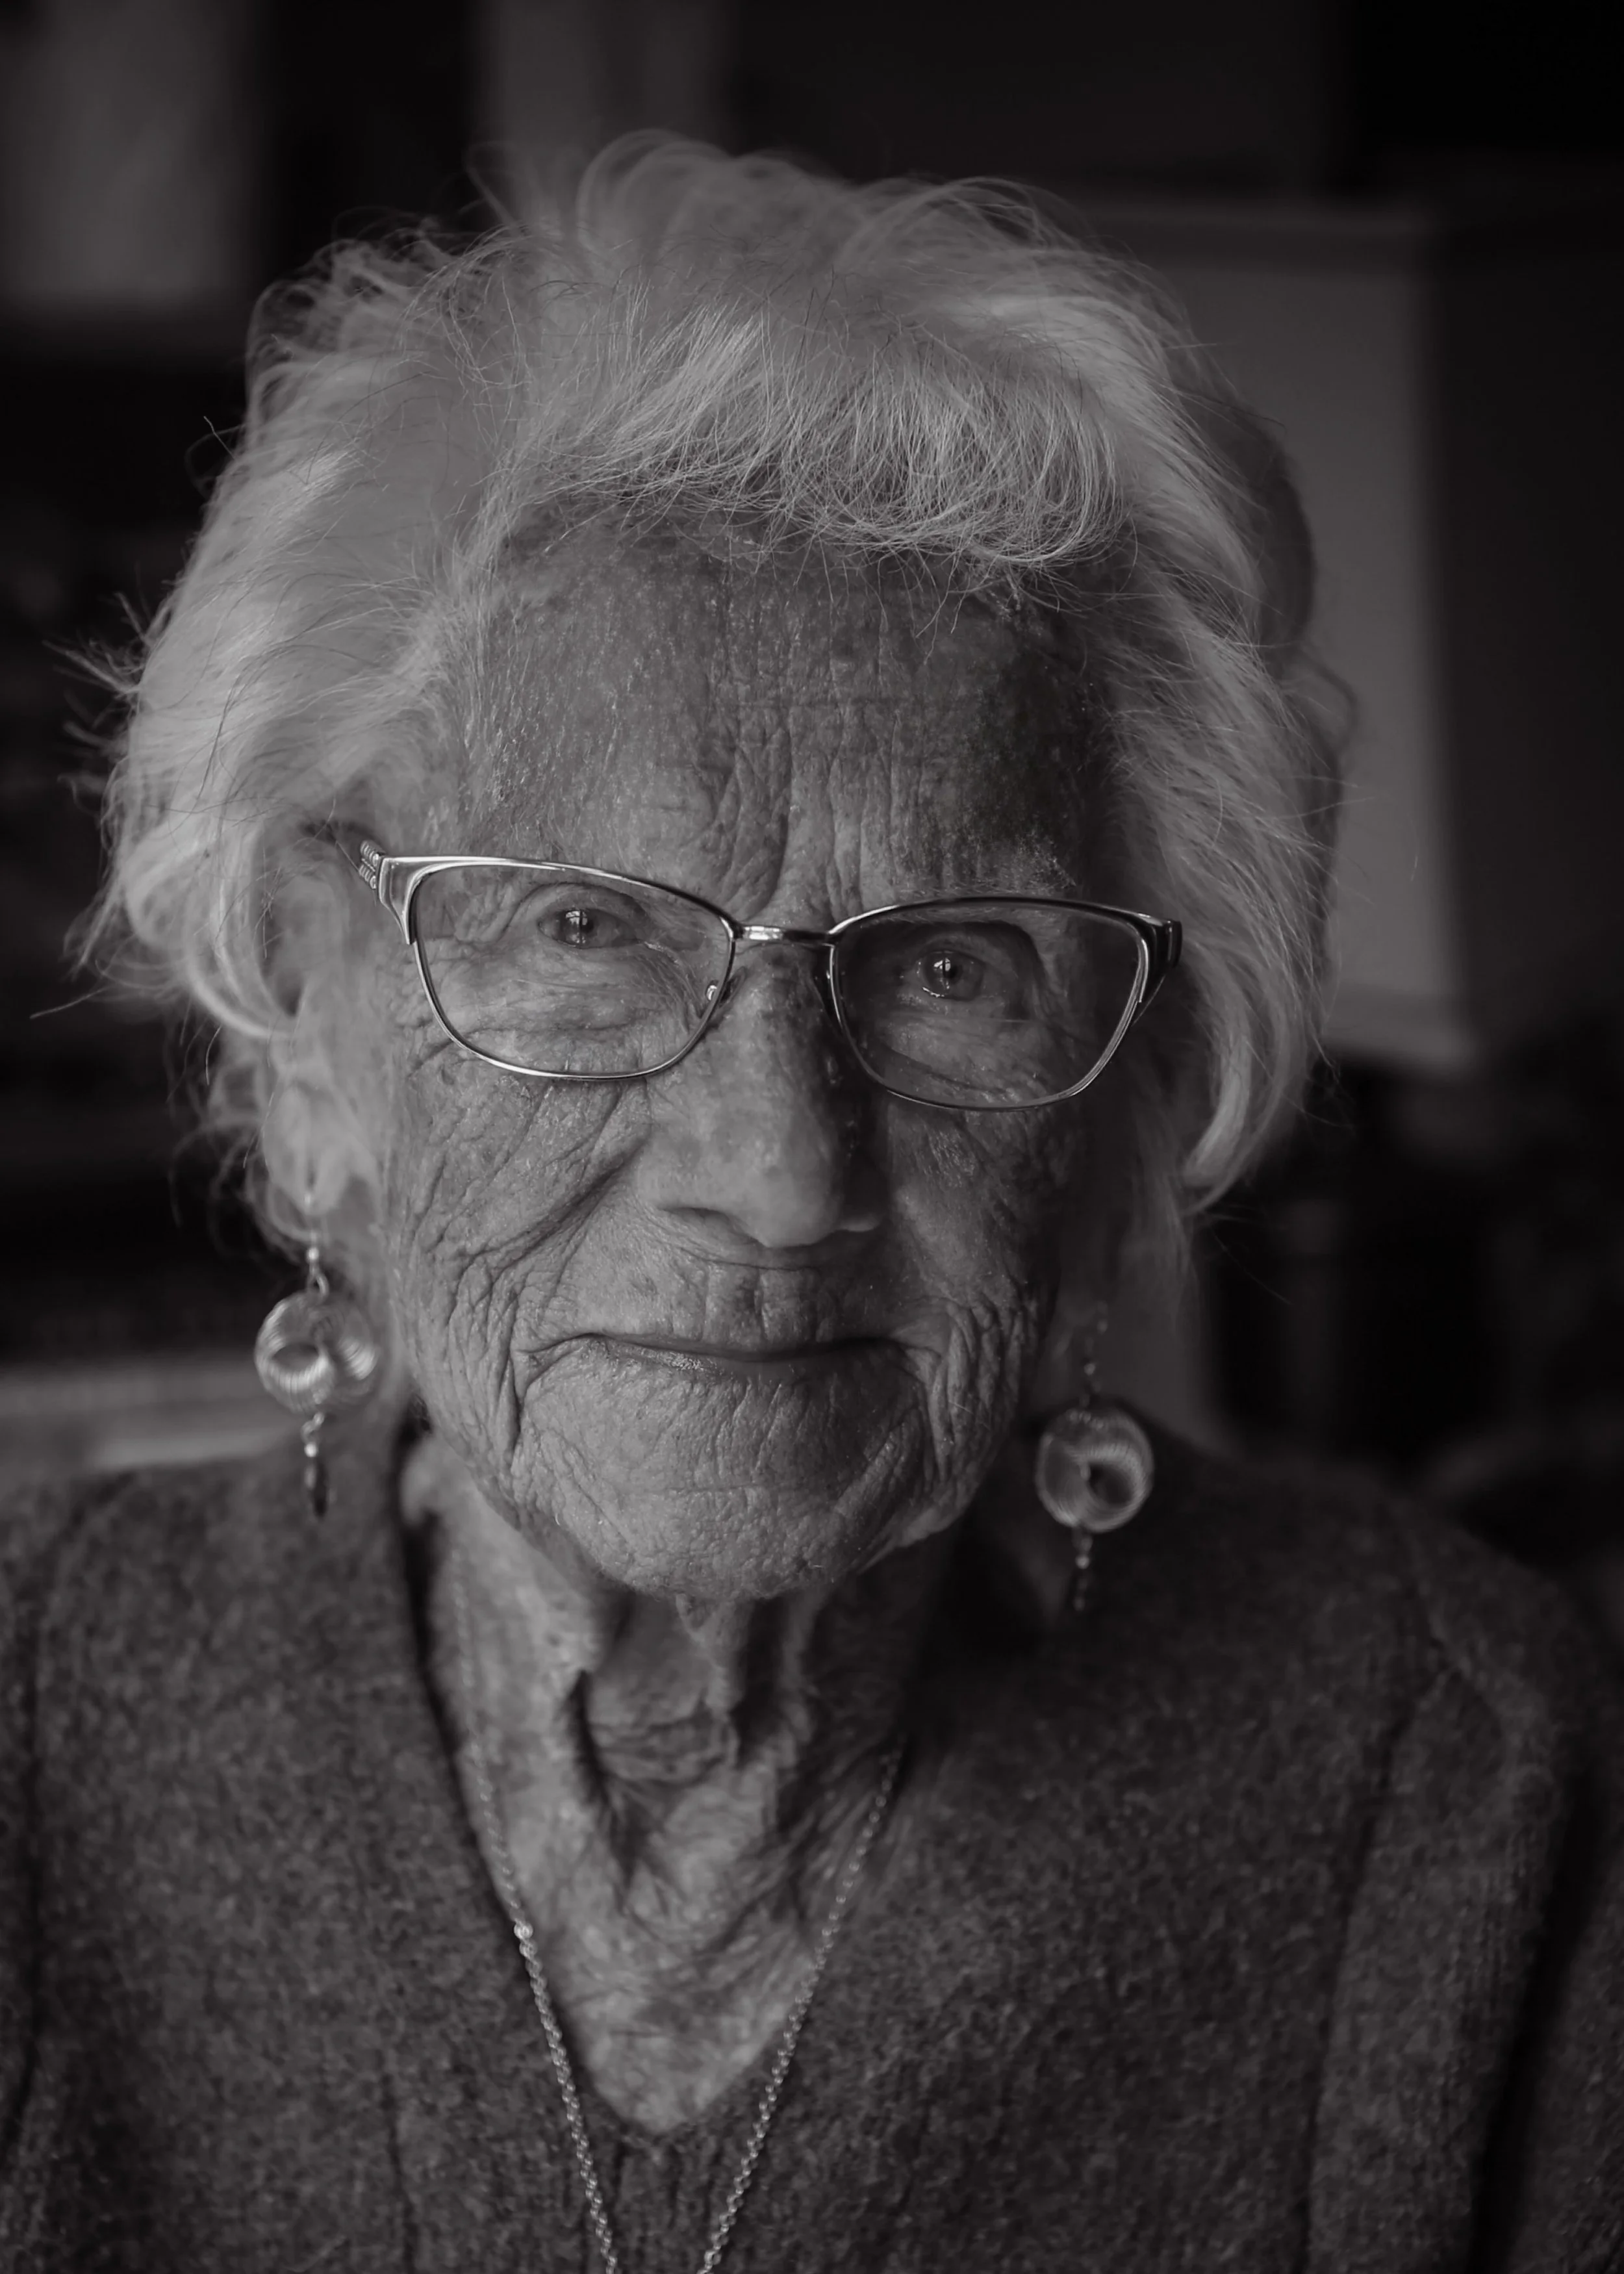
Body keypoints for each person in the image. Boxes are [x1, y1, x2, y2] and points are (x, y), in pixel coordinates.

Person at [2, 137, 1620, 2274]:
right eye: (582, 927)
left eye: (952, 967)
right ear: (310, 1034)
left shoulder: (1458, 1789)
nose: (778, 1174)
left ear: (1132, 1094)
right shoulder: (30, 1724)